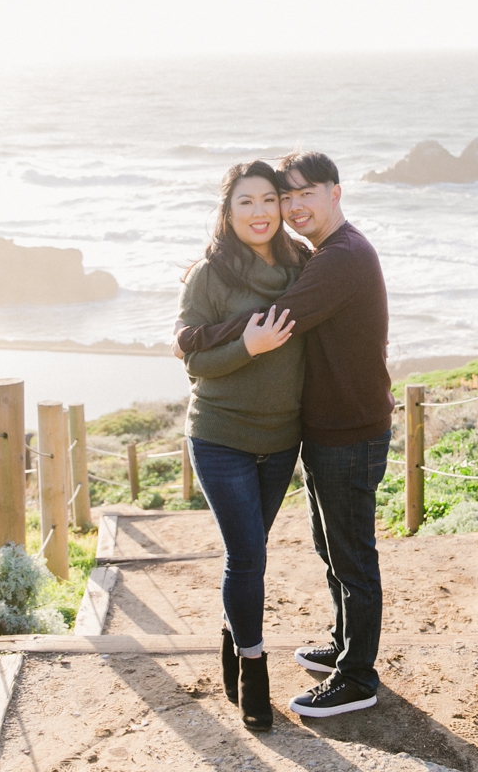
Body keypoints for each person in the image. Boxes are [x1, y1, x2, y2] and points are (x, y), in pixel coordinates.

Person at [176, 151, 392, 718]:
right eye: (281, 195)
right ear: (228, 210)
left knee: (351, 554)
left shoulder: (334, 258)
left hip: (348, 429)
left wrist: (196, 336)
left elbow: (279, 317)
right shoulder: (311, 256)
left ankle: (357, 676)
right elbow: (262, 324)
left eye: (299, 194)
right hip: (312, 430)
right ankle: (338, 648)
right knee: (326, 547)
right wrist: (201, 338)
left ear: (335, 193)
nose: (288, 207)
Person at [177, 160, 309, 732]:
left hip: (281, 440)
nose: (259, 213)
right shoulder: (209, 275)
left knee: (249, 553)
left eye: (267, 201)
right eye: (245, 203)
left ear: (282, 207)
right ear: (228, 214)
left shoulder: (303, 264)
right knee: (248, 556)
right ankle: (254, 666)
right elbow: (191, 358)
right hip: (219, 436)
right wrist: (247, 348)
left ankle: (234, 634)